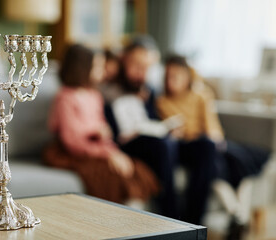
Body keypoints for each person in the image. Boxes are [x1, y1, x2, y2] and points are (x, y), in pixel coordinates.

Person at [104, 36, 216, 224]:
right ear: (124, 61)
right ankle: (174, 221)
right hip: (130, 144)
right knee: (165, 145)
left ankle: (195, 223)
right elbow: (108, 132)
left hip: (157, 141)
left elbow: (154, 121)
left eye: (146, 67)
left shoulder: (148, 90)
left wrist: (170, 129)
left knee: (206, 146)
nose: (141, 73)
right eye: (136, 65)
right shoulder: (108, 91)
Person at [157, 55, 270, 238]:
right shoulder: (162, 101)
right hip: (191, 147)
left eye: (177, 75)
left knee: (234, 161)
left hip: (211, 144)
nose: (172, 81)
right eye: (169, 76)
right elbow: (173, 133)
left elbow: (213, 129)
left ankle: (236, 215)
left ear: (187, 76)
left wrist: (215, 142)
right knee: (217, 163)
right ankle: (236, 215)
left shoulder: (201, 95)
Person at [43, 44, 158, 207]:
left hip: (98, 149)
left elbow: (103, 131)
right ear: (82, 68)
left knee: (135, 170)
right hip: (73, 153)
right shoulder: (65, 98)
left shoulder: (94, 95)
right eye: (97, 66)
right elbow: (72, 142)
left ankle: (135, 217)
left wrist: (113, 151)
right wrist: (106, 154)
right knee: (110, 175)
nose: (102, 71)